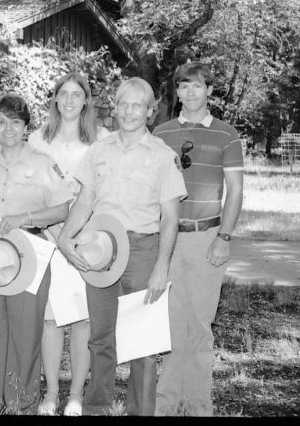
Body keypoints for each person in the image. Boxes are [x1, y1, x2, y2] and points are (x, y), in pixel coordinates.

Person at [57, 77, 187, 416]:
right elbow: (85, 201)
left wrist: (162, 266)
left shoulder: (164, 156)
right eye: (124, 104)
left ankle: (139, 411)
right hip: (100, 249)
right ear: (114, 108)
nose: (129, 111)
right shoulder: (98, 150)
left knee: (142, 342)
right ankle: (97, 407)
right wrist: (65, 238)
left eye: (138, 105)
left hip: (143, 252)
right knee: (101, 338)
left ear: (150, 111)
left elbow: (170, 219)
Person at [0, 93, 72, 414]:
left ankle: (22, 402)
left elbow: (62, 209)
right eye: (0, 122)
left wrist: (25, 219)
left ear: (26, 126)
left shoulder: (42, 163)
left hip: (30, 255)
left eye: (15, 121)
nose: (8, 128)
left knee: (26, 332)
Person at [153, 62, 244, 416]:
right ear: (176, 92)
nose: (189, 93)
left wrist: (224, 236)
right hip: (168, 240)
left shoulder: (227, 134)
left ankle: (197, 404)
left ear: (209, 90)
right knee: (172, 323)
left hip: (206, 236)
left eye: (196, 86)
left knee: (200, 325)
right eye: (183, 87)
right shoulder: (160, 132)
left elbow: (235, 191)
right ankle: (165, 402)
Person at [28, 72, 110, 417]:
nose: (71, 100)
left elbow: (106, 189)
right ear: (55, 99)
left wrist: (79, 232)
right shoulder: (36, 140)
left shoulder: (102, 139)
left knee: (82, 320)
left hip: (86, 239)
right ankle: (50, 393)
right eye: (64, 94)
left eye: (78, 94)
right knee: (49, 319)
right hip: (46, 238)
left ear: (86, 100)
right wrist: (47, 227)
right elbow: (29, 188)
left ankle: (76, 394)